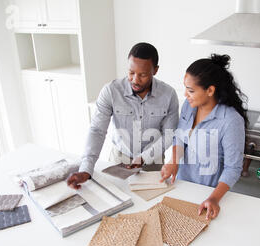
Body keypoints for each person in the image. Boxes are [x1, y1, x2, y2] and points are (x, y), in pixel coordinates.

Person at [67, 42, 179, 189]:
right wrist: (86, 169)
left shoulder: (168, 95)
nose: (135, 80)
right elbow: (97, 130)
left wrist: (143, 157)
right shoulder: (111, 91)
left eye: (143, 75)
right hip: (119, 159)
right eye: (131, 72)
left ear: (155, 70)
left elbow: (169, 135)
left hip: (153, 161)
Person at [160, 54, 248, 220]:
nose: (185, 94)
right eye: (185, 88)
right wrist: (174, 161)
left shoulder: (230, 121)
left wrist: (213, 198)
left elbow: (233, 168)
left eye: (191, 90)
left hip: (207, 195)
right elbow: (180, 137)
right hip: (181, 186)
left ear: (210, 90)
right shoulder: (189, 105)